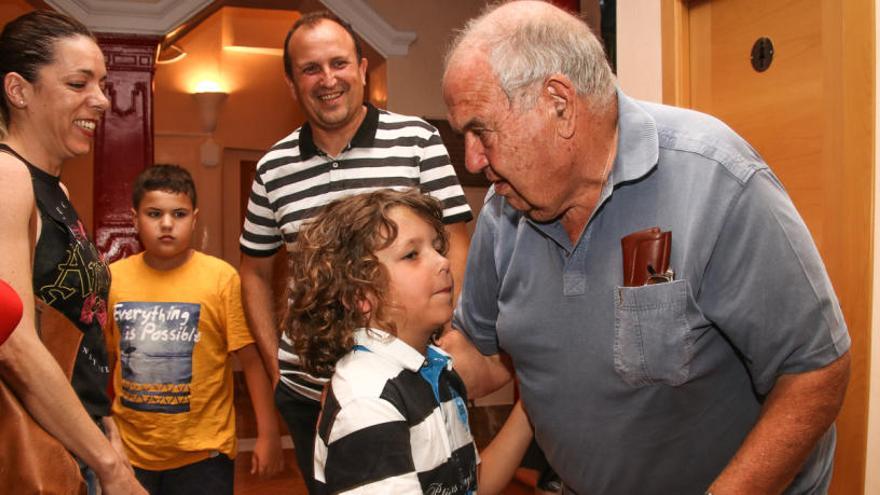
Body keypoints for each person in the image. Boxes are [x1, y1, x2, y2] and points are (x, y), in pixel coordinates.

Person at [439, 2, 851, 494]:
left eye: (480, 130)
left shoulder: (715, 179)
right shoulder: (503, 212)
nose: (472, 159)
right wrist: (390, 376)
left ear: (559, 104)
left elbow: (815, 370)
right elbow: (480, 353)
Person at [239, 11, 473, 491]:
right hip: (307, 393)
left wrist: (445, 339)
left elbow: (458, 246)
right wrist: (275, 367)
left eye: (339, 63)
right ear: (292, 83)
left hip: (406, 385)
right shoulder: (272, 167)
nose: (328, 79)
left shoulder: (417, 141)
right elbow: (253, 272)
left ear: (363, 69)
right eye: (310, 69)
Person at [285, 188, 532, 494]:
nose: (443, 262)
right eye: (412, 254)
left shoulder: (437, 373)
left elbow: (470, 486)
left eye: (437, 247)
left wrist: (532, 401)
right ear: (361, 295)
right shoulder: (368, 401)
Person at [0, 10, 145, 494]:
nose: (101, 100)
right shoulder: (8, 177)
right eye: (79, 83)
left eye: (102, 83)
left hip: (73, 438)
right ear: (18, 90)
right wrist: (110, 466)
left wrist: (104, 427)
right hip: (36, 448)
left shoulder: (53, 187)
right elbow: (15, 346)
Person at [105, 164, 283, 494]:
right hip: (131, 454)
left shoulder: (220, 278)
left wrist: (268, 432)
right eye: (154, 213)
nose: (167, 224)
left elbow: (251, 360)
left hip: (204, 455)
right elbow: (104, 363)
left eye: (179, 214)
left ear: (195, 218)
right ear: (134, 219)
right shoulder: (113, 280)